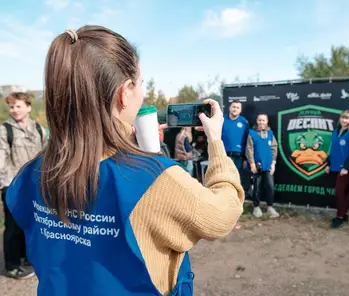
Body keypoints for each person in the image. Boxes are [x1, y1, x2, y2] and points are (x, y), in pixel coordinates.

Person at [6, 26, 244, 296]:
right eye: (141, 83)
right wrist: (215, 141)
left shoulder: (34, 171)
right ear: (125, 91)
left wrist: (128, 146)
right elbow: (221, 216)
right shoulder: (154, 178)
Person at [0, 92, 47, 279]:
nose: (15, 110)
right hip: (12, 185)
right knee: (13, 226)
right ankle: (12, 265)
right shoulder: (5, 130)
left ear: (28, 107)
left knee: (31, 223)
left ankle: (27, 258)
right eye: (12, 107)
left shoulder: (38, 129)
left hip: (34, 185)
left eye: (19, 106)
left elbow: (45, 154)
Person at [325, 110, 349, 229]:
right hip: (335, 166)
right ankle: (344, 214)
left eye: (348, 118)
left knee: (339, 191)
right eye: (343, 118)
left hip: (345, 168)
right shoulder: (335, 131)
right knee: (343, 192)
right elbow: (332, 149)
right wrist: (328, 164)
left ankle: (340, 217)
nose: (345, 120)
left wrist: (346, 167)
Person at [246, 113, 279, 218]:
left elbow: (274, 148)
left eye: (263, 120)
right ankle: (256, 207)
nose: (261, 122)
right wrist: (252, 164)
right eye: (260, 120)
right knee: (256, 187)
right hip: (256, 165)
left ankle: (270, 206)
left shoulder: (270, 133)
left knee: (269, 186)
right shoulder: (252, 133)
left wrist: (273, 163)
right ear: (257, 121)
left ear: (267, 121)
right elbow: (249, 149)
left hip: (268, 165)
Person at [222, 100, 249, 173]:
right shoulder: (222, 120)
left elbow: (248, 141)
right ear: (229, 108)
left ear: (240, 110)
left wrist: (246, 158)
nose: (235, 109)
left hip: (239, 157)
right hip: (224, 156)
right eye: (233, 107)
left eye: (237, 108)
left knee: (237, 179)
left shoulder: (244, 122)